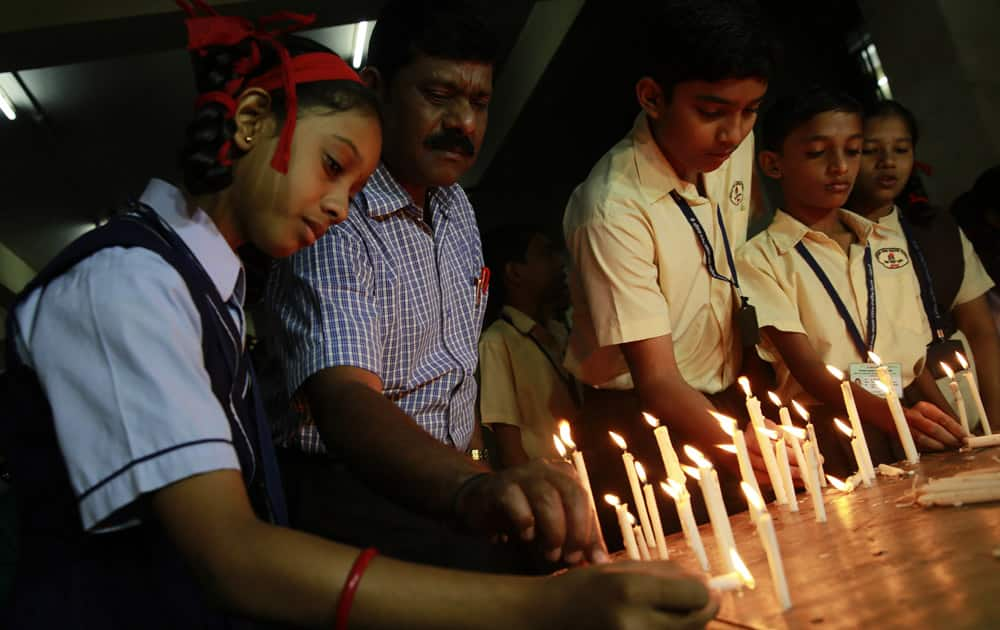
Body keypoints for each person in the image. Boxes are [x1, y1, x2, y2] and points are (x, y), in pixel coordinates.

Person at [2, 4, 718, 628]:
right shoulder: (128, 281)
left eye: (354, 181)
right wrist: (544, 606)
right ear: (251, 121)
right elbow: (234, 558)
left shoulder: (201, 286)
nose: (342, 205)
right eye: (332, 164)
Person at [264, 0, 602, 572]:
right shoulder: (335, 216)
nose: (463, 125)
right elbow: (345, 399)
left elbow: (454, 371)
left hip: (450, 481)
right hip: (353, 492)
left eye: (479, 102)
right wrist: (472, 488)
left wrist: (480, 472)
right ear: (376, 91)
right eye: (438, 96)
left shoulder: (458, 211)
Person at [562, 0, 785, 546]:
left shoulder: (731, 143)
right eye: (712, 112)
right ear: (652, 97)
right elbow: (658, 382)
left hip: (723, 396)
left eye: (751, 110)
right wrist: (742, 449)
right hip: (641, 422)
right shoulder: (612, 206)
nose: (733, 134)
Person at [735, 87, 965, 474]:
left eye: (854, 150)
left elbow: (914, 361)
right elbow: (809, 370)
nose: (840, 166)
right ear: (774, 164)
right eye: (817, 153)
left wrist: (954, 431)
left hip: (911, 412)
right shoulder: (759, 259)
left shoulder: (887, 243)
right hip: (836, 428)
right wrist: (898, 418)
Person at [844, 101, 999, 428]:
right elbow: (846, 366)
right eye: (871, 151)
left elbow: (980, 329)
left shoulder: (936, 230)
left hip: (972, 402)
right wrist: (917, 405)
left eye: (901, 149)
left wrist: (996, 415)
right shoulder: (830, 243)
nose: (888, 163)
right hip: (898, 414)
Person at [479, 224, 578, 468]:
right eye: (546, 254)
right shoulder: (497, 341)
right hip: (552, 486)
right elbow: (510, 448)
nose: (559, 263)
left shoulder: (561, 331)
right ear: (514, 273)